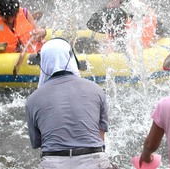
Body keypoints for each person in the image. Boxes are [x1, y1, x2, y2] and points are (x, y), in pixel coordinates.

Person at [25, 38, 117, 169]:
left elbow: (37, 143)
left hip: (53, 163)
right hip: (94, 161)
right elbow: (100, 139)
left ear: (43, 63)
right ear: (71, 59)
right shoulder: (95, 89)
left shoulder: (32, 99)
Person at [87, 0, 158, 48]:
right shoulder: (146, 11)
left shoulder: (118, 14)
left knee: (84, 43)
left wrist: (106, 8)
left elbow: (91, 24)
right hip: (142, 46)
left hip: (128, 51)